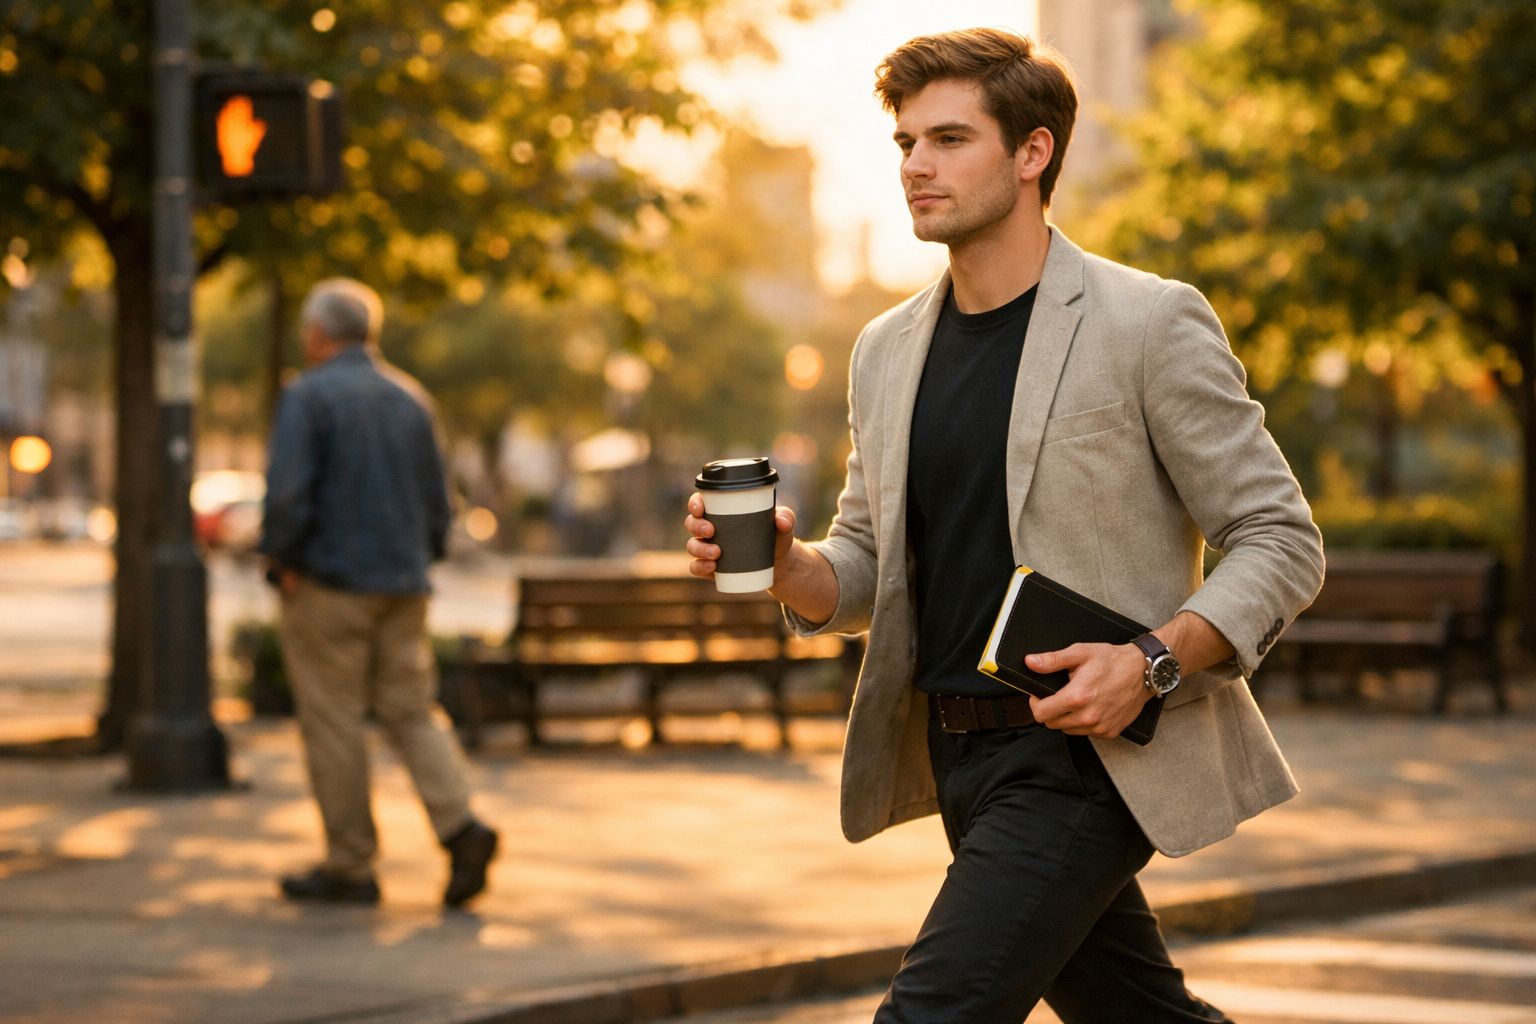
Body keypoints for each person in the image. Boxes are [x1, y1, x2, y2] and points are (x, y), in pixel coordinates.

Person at [685, 28, 1324, 1023]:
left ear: (1033, 153)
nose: (917, 165)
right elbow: (867, 564)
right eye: (906, 143)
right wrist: (783, 563)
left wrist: (1151, 661)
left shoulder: (1147, 321)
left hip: (1087, 759)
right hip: (959, 755)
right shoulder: (884, 349)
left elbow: (1280, 537)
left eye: (949, 139)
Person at [259, 277, 498, 907]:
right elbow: (439, 502)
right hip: (403, 585)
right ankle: (460, 826)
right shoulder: (410, 398)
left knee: (333, 721)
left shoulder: (307, 396)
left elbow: (287, 494)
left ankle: (351, 864)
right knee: (412, 711)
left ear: (317, 333)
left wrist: (281, 559)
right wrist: (420, 556)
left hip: (329, 584)